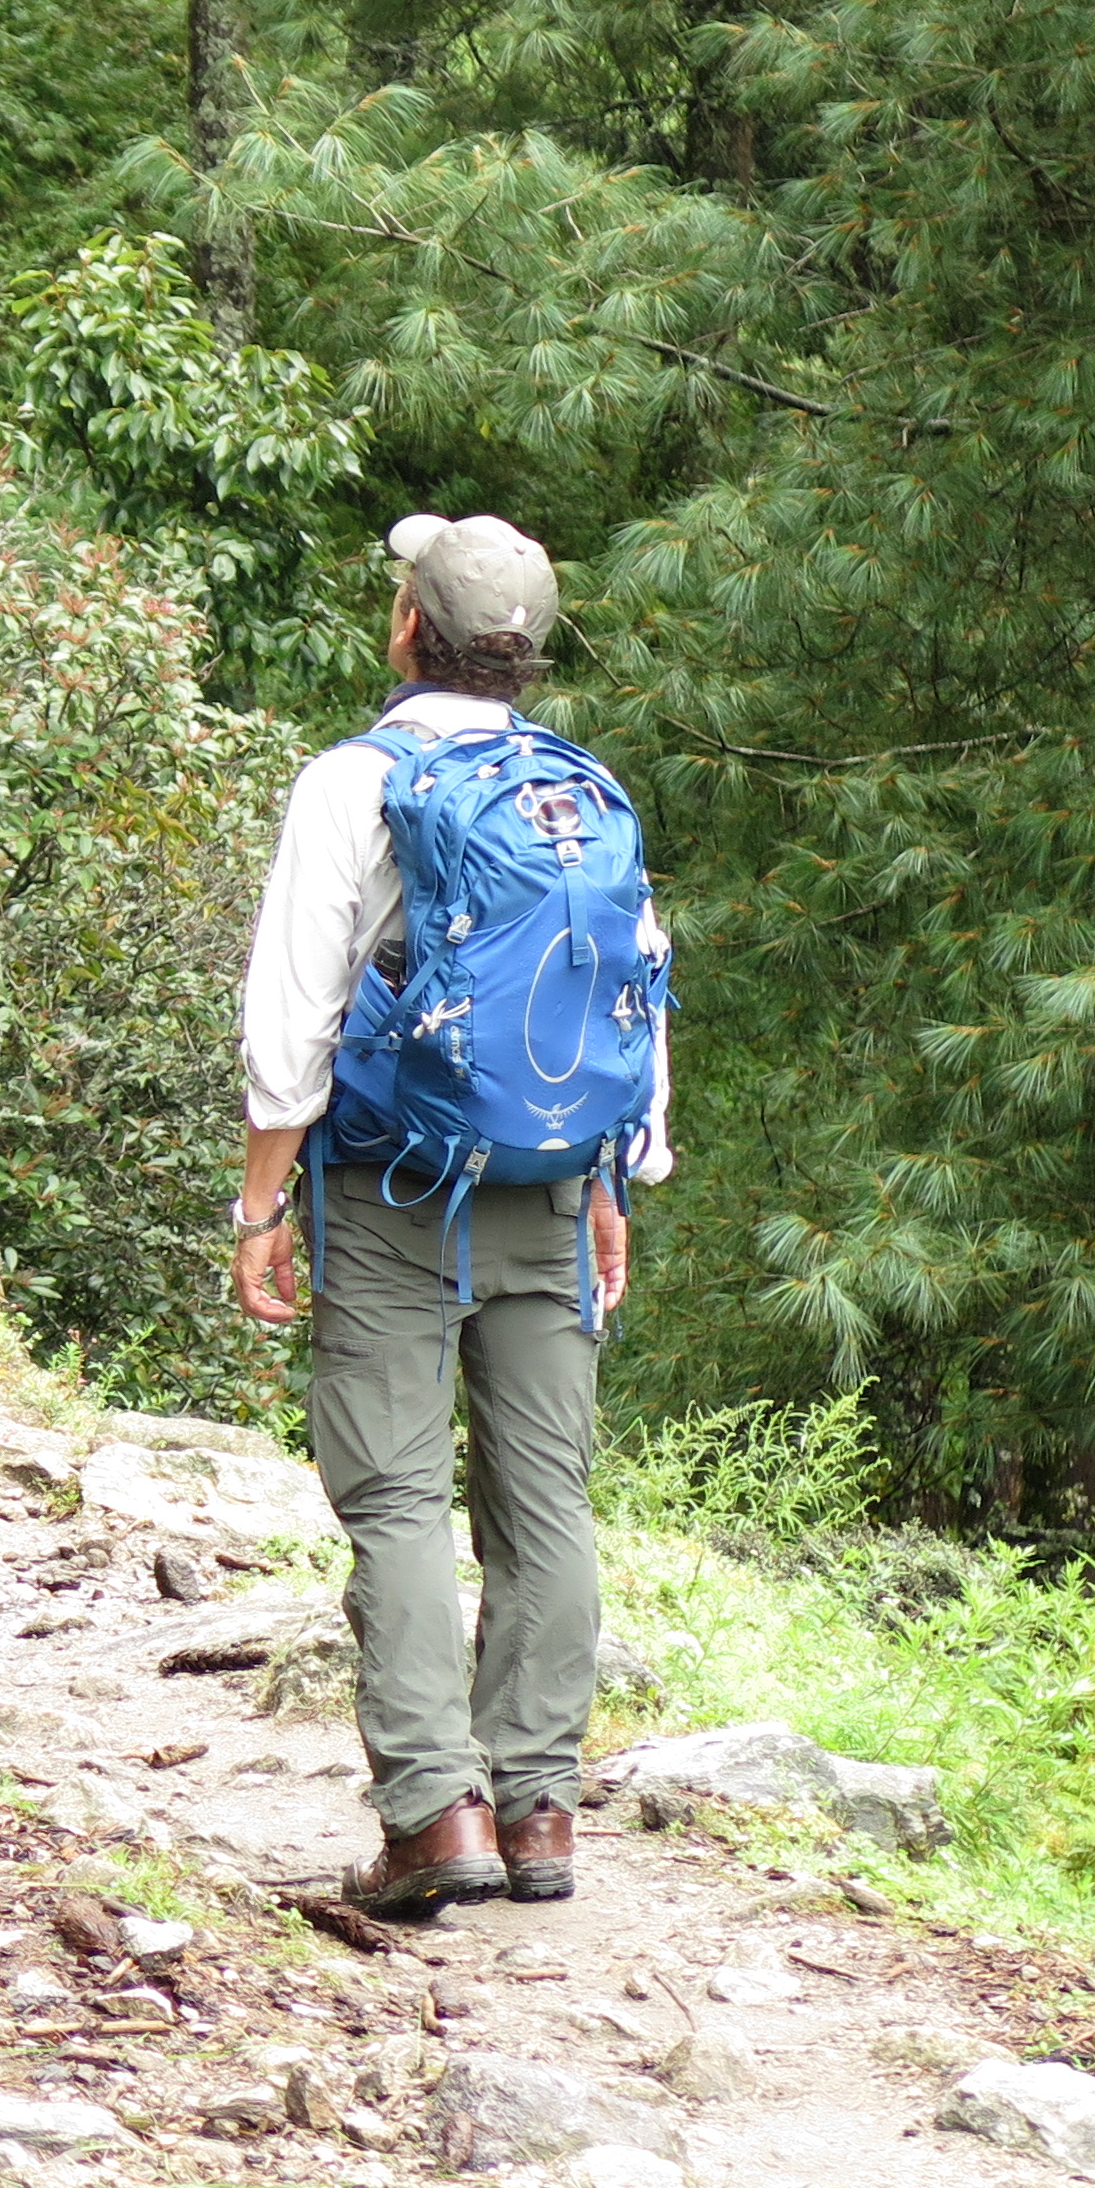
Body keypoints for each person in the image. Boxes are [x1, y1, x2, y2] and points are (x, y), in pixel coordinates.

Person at [230, 512, 674, 1917]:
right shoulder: (579, 790)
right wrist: (617, 1178)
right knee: (546, 1501)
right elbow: (634, 989)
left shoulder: (354, 780)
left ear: (411, 626)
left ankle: (434, 1818)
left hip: (387, 1180)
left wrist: (260, 1205)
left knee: (401, 1494)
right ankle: (540, 1811)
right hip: (551, 1183)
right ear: (526, 650)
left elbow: (293, 1008)